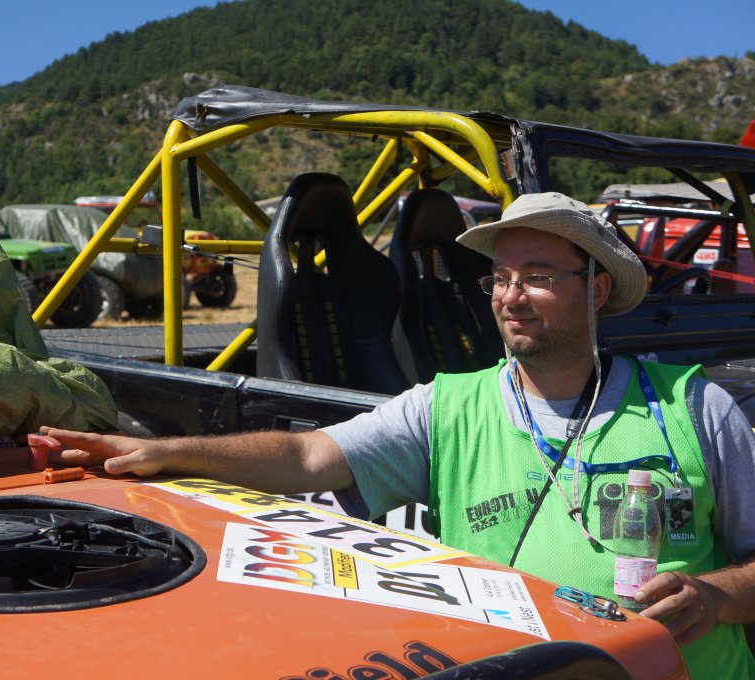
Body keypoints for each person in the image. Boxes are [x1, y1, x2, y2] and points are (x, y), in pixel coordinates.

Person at [37, 192, 755, 677]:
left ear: (595, 290)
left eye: (537, 276)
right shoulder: (447, 408)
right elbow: (307, 454)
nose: (510, 296)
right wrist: (166, 451)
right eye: (500, 277)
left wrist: (716, 595)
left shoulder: (694, 408)